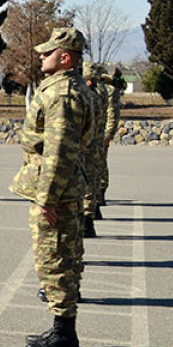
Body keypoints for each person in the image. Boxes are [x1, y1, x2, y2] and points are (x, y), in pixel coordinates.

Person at [9, 26, 94, 347]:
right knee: (64, 257)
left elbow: (58, 151)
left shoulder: (62, 94)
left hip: (56, 187)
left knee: (54, 258)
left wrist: (46, 197)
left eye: (48, 52)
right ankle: (62, 328)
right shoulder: (70, 89)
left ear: (66, 57)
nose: (42, 56)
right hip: (64, 184)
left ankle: (64, 335)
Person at [81, 63, 109, 236]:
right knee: (90, 178)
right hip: (93, 142)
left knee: (88, 179)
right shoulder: (100, 92)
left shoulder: (91, 95)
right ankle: (89, 216)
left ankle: (87, 220)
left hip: (89, 143)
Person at [99, 65, 122, 207]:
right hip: (88, 133)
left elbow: (112, 114)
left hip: (100, 134)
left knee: (100, 163)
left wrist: (108, 134)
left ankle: (100, 192)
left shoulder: (110, 91)